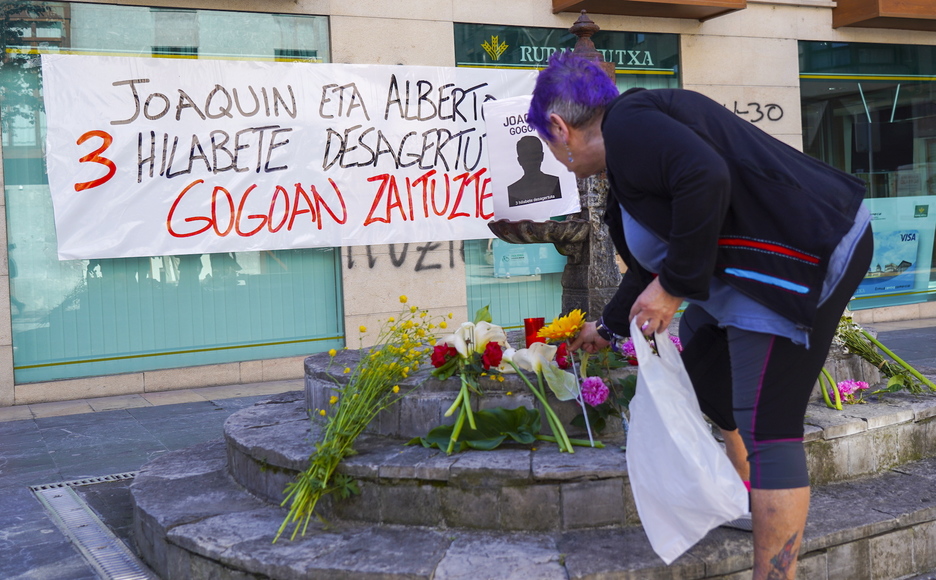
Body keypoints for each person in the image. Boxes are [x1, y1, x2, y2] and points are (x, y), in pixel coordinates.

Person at [527, 52, 872, 580]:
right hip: (758, 268)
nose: (556, 158)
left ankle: (775, 571)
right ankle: (743, 499)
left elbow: (705, 178)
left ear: (558, 127)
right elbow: (650, 263)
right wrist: (608, 328)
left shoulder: (632, 126)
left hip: (802, 261)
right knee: (703, 373)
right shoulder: (633, 146)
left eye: (549, 147)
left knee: (769, 426)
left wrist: (673, 288)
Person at [507, 135, 562, 207]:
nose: (531, 161)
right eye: (526, 156)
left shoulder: (556, 183)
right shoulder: (512, 191)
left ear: (541, 156)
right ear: (519, 160)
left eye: (534, 155)